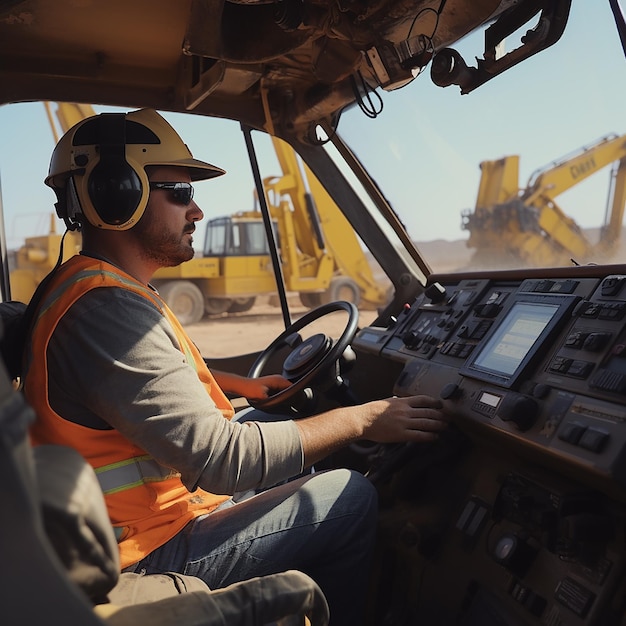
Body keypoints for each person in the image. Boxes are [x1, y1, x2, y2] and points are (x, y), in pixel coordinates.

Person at [24, 108, 449, 624]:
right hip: (138, 551)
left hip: (144, 520)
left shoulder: (97, 289)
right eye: (180, 192)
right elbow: (224, 463)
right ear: (119, 194)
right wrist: (363, 420)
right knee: (352, 495)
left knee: (273, 425)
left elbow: (146, 384)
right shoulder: (104, 309)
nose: (196, 211)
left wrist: (245, 386)